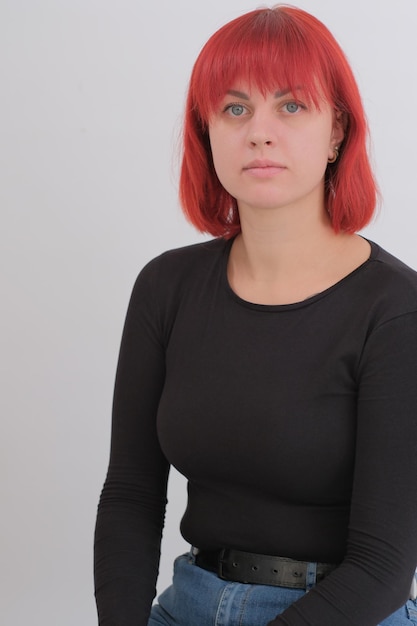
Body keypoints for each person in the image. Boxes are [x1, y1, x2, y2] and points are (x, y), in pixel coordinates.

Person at [94, 5, 417, 625]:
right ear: (207, 130)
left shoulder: (396, 310)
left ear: (337, 133)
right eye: (235, 108)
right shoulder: (167, 287)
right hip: (187, 604)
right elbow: (131, 495)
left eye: (291, 106)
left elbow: (384, 565)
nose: (259, 132)